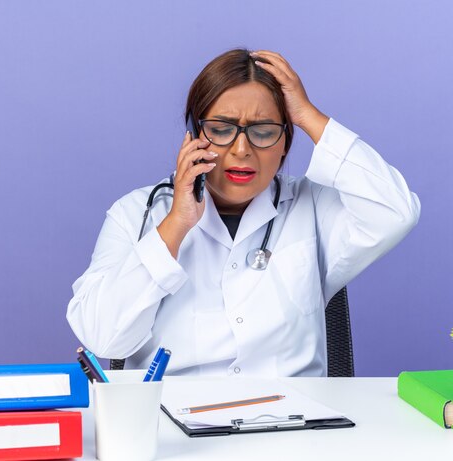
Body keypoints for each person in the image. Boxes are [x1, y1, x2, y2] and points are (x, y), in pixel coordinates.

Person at [67, 49, 420, 377]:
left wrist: (310, 116)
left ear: (284, 143)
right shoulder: (136, 213)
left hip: (294, 428)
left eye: (263, 132)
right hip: (172, 428)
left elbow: (396, 211)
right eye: (221, 130)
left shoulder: (312, 206)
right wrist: (175, 225)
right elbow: (101, 338)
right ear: (193, 136)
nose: (241, 149)